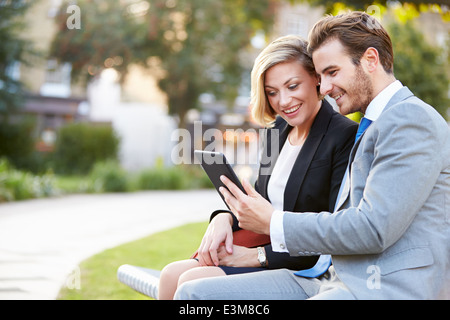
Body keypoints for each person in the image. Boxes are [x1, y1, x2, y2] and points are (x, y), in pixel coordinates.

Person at [174, 11, 450, 300]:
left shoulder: (407, 119)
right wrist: (225, 218)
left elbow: (372, 229)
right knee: (193, 294)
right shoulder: (369, 125)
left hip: (381, 286)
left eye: (331, 72)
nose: (325, 88)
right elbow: (262, 196)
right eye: (322, 76)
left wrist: (271, 228)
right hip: (330, 276)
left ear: (370, 60)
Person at [157, 35, 358, 299]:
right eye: (272, 92)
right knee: (170, 275)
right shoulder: (277, 132)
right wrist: (223, 218)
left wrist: (256, 257)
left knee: (190, 282)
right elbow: (259, 200)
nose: (283, 101)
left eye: (293, 86)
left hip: (300, 263)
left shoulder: (343, 135)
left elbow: (332, 230)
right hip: (259, 243)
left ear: (316, 79)